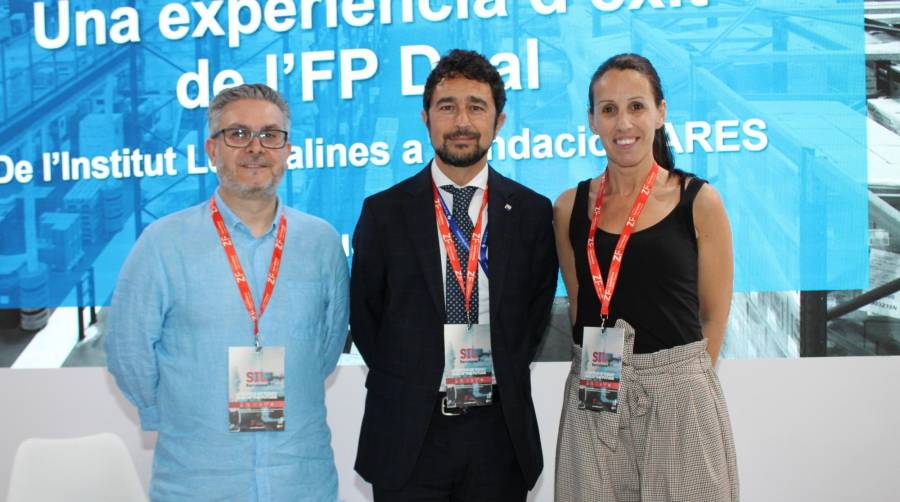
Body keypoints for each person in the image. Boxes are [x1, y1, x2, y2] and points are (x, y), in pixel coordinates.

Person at [105, 83, 349, 501]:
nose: (256, 147)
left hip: (301, 480)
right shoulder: (163, 243)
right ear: (212, 150)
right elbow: (129, 350)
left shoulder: (321, 242)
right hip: (196, 481)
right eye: (238, 134)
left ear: (288, 150)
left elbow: (325, 351)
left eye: (271, 135)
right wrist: (180, 418)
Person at [351, 49, 558, 501]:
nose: (461, 120)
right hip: (409, 433)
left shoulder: (531, 213)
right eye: (447, 106)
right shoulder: (383, 213)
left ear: (499, 121)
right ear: (425, 117)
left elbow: (533, 316)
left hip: (498, 435)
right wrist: (415, 374)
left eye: (476, 106)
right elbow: (367, 318)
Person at [553, 54, 739, 501]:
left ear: (660, 112)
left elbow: (713, 316)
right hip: (594, 393)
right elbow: (582, 307)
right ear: (592, 121)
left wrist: (677, 384)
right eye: (609, 109)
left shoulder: (699, 200)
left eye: (636, 106)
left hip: (679, 402)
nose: (624, 123)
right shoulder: (568, 208)